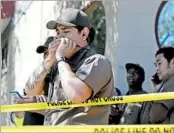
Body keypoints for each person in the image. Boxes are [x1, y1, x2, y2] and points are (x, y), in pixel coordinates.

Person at [16, 8, 114, 125]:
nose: (59, 37)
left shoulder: (97, 61)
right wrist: (50, 59)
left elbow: (77, 95)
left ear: (84, 33)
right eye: (58, 32)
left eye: (66, 31)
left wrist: (61, 58)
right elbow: (30, 91)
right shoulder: (57, 65)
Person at [22, 36, 55, 125]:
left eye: (51, 52)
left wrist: (46, 105)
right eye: (45, 53)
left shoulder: (66, 74)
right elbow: (28, 95)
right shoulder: (41, 74)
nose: (48, 56)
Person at [140, 47, 174, 124]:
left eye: (160, 64)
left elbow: (155, 117)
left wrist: (155, 91)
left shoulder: (172, 82)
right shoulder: (164, 83)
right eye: (156, 65)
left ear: (172, 63)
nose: (157, 69)